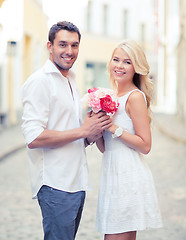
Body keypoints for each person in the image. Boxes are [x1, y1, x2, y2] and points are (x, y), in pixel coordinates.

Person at [21, 21, 111, 240]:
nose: (69, 51)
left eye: (74, 45)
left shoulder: (70, 80)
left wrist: (90, 134)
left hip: (76, 182)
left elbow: (72, 132)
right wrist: (82, 131)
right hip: (55, 185)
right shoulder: (40, 82)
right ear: (49, 46)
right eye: (63, 44)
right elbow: (33, 137)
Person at [95, 40, 163, 240]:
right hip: (112, 173)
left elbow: (145, 145)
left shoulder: (135, 97)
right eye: (116, 60)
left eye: (127, 62)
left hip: (128, 176)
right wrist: (97, 126)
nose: (119, 65)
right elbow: (106, 148)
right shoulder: (111, 97)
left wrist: (113, 127)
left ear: (136, 68)